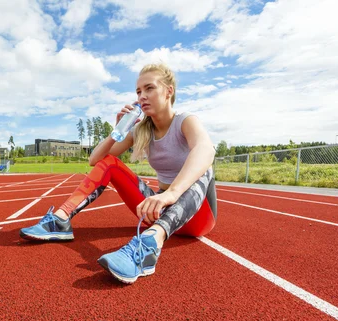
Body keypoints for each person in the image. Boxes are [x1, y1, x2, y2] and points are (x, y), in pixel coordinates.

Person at [20, 63, 217, 284]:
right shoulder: (141, 130)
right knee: (110, 162)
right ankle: (61, 220)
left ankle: (150, 245)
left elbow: (205, 149)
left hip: (197, 216)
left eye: (149, 88)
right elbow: (95, 160)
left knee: (205, 165)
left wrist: (171, 193)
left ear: (168, 91)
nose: (142, 96)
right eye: (138, 92)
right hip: (158, 210)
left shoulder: (185, 121)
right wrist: (118, 131)